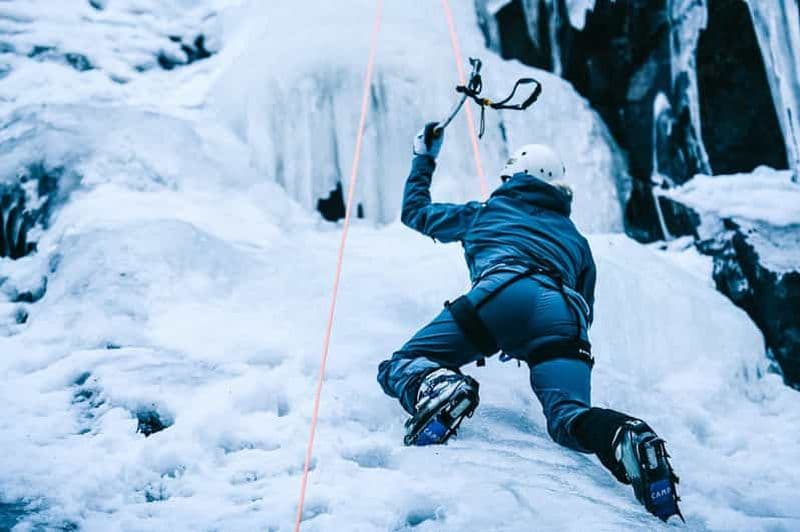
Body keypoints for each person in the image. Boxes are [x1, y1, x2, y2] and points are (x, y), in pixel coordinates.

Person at [377, 123, 682, 522]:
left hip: (502, 291)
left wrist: (424, 157)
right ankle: (626, 437)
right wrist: (537, 339)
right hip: (563, 311)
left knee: (401, 363)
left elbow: (415, 213)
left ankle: (440, 385)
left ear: (515, 177)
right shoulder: (576, 240)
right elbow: (585, 306)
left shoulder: (486, 213)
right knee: (568, 417)